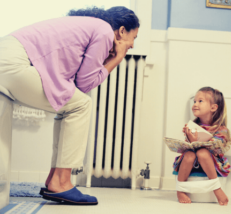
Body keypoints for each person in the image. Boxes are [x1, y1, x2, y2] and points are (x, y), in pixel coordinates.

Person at [0, 6, 139, 205]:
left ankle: (54, 179)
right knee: (81, 105)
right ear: (122, 30)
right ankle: (61, 181)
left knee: (72, 105)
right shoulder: (104, 31)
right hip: (12, 63)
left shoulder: (90, 27)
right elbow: (84, 85)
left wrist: (107, 59)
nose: (133, 45)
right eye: (134, 37)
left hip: (7, 57)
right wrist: (116, 59)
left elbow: (75, 84)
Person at [174, 87, 231, 205]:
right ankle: (180, 189)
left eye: (200, 101)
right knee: (189, 154)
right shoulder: (193, 126)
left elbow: (217, 148)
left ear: (213, 107)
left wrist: (198, 141)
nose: (195, 104)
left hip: (211, 162)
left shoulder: (221, 129)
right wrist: (191, 141)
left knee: (202, 152)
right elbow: (189, 148)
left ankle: (216, 188)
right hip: (192, 163)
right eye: (194, 101)